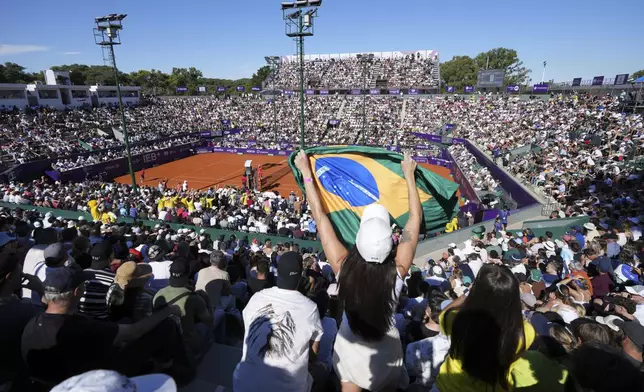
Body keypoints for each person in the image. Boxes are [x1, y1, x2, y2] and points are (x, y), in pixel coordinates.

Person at [293, 150, 422, 392]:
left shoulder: (343, 265)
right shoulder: (398, 270)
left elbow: (320, 218)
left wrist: (306, 173)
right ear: (391, 242)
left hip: (350, 347)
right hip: (387, 351)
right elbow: (414, 219)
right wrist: (409, 176)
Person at [21, 266, 182, 387]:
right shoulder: (79, 326)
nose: (86, 287)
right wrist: (169, 310)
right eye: (84, 284)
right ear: (77, 291)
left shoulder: (34, 321)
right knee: (165, 326)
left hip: (57, 378)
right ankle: (166, 372)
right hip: (87, 380)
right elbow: (133, 333)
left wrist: (38, 288)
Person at [435, 264, 568, 391]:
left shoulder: (457, 319)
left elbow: (443, 314)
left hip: (448, 385)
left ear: (476, 291)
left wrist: (466, 295)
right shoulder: (524, 331)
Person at [234, 251, 324, 392]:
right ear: (301, 275)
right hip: (289, 388)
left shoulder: (257, 297)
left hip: (242, 384)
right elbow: (314, 352)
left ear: (277, 271)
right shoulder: (310, 308)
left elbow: (247, 329)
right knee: (322, 371)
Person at [153, 259, 214, 361]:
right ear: (188, 273)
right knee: (209, 329)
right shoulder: (194, 298)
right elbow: (210, 322)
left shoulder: (158, 294)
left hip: (164, 341)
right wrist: (209, 303)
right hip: (186, 343)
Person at [0, 252, 43, 391]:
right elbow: (52, 322)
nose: (23, 275)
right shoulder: (22, 312)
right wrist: (41, 292)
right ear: (10, 277)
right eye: (20, 272)